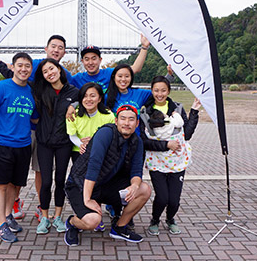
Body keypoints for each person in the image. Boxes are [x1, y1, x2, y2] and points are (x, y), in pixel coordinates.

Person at [0, 35, 72, 220]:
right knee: (15, 174)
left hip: (46, 133)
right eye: (53, 46)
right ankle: (13, 203)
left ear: (64, 52)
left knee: (40, 171)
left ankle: (43, 208)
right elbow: (16, 79)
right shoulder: (35, 66)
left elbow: (74, 95)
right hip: (25, 130)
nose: (56, 50)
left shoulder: (66, 74)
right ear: (46, 48)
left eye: (61, 47)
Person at [63, 105, 151, 246]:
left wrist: (135, 185)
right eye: (123, 118)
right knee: (93, 220)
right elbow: (93, 166)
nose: (126, 123)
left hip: (106, 184)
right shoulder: (106, 133)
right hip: (80, 183)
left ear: (137, 123)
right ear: (116, 121)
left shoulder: (137, 141)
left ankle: (119, 227)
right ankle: (72, 222)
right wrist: (87, 199)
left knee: (144, 189)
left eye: (131, 119)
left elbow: (136, 171)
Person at [0, 52, 38, 243]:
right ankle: (1, 225)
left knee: (15, 185)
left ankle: (8, 216)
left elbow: (35, 118)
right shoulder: (0, 88)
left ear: (31, 70)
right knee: (1, 185)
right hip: (2, 145)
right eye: (20, 65)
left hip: (23, 145)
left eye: (27, 66)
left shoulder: (31, 91)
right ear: (12, 67)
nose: (24, 69)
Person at [139, 75, 201, 236]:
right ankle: (155, 220)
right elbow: (144, 141)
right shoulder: (145, 112)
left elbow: (186, 134)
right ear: (152, 91)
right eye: (156, 90)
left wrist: (194, 111)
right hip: (157, 161)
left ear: (168, 91)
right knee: (162, 197)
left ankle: (170, 219)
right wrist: (167, 145)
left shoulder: (178, 109)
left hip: (178, 161)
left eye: (163, 90)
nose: (160, 94)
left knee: (174, 200)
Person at [32, 59, 79, 234]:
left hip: (63, 144)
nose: (49, 73)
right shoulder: (40, 90)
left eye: (51, 69)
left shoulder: (73, 92)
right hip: (44, 142)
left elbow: (91, 99)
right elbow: (16, 78)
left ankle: (58, 217)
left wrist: (74, 105)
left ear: (59, 69)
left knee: (60, 180)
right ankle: (44, 217)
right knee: (45, 182)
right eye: (45, 71)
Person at [66, 82, 115, 233]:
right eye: (85, 96)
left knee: (97, 183)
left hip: (101, 155)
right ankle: (79, 215)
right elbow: (72, 134)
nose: (89, 99)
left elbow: (111, 137)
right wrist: (81, 143)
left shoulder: (108, 115)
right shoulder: (74, 114)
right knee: (81, 184)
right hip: (79, 152)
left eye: (93, 95)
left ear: (100, 98)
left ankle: (96, 213)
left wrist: (95, 142)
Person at [71, 35, 150, 91]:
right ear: (82, 61)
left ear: (100, 59)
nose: (90, 62)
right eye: (87, 59)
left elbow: (135, 68)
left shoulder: (110, 73)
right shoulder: (77, 78)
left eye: (94, 58)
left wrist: (144, 47)